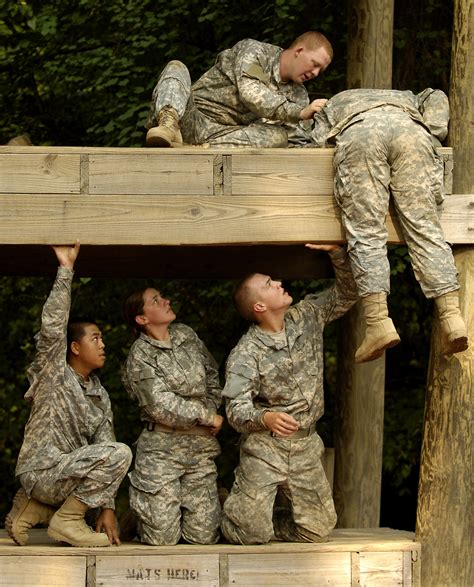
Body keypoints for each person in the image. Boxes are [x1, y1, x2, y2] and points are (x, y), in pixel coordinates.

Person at [308, 88, 469, 362]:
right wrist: (432, 132)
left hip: (361, 135)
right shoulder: (408, 96)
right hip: (411, 134)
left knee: (367, 232)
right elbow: (437, 96)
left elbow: (313, 142)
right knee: (425, 229)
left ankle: (378, 323)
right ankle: (453, 319)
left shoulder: (334, 102)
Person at [220, 244, 358, 545]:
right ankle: (234, 514)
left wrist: (337, 254)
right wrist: (265, 417)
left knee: (318, 531)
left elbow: (349, 293)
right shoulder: (246, 352)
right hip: (265, 449)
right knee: (251, 534)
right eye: (269, 285)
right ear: (259, 307)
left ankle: (265, 519)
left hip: (306, 446)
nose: (280, 283)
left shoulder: (307, 315)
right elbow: (235, 410)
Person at [5, 241, 132, 547]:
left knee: (111, 460)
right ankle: (66, 520)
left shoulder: (99, 394)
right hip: (44, 471)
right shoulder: (54, 375)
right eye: (95, 338)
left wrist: (108, 509)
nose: (103, 345)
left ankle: (36, 509)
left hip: (66, 476)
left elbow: (105, 447)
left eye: (102, 338)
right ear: (75, 347)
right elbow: (52, 329)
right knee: (121, 453)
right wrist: (65, 269)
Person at [122, 287, 223, 545]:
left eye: (162, 296)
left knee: (203, 538)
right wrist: (205, 416)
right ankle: (141, 516)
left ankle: (215, 501)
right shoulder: (140, 354)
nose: (166, 300)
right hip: (161, 454)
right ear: (142, 319)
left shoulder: (186, 335)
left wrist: (211, 410)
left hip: (200, 450)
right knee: (161, 539)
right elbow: (159, 405)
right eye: (155, 300)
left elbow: (212, 375)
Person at [145, 31, 332, 148]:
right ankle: (168, 125)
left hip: (224, 138)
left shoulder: (299, 96)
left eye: (320, 70)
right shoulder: (256, 53)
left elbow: (297, 141)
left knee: (278, 137)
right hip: (192, 118)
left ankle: (193, 149)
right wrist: (298, 112)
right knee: (176, 67)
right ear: (299, 51)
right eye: (314, 63)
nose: (315, 72)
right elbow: (251, 92)